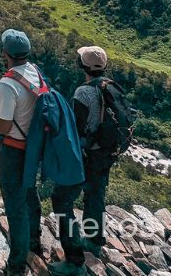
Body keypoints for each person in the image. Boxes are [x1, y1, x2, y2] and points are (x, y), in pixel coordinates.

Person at [0, 29, 43, 276]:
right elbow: (23, 110)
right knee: (30, 194)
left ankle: (16, 264)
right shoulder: (35, 72)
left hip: (14, 150)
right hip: (33, 146)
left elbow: (4, 126)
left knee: (15, 207)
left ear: (5, 53)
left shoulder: (7, 83)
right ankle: (35, 242)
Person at [48, 46, 111, 276]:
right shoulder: (111, 87)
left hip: (86, 156)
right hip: (105, 155)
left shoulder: (83, 93)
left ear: (82, 66)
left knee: (62, 200)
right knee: (95, 195)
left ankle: (74, 262)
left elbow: (75, 130)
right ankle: (95, 242)